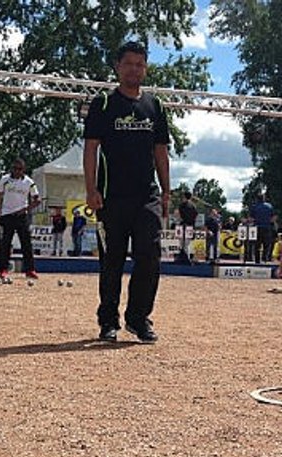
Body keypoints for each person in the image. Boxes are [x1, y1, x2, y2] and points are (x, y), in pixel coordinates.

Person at [83, 40, 171, 343]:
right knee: (111, 262)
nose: (134, 69)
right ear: (118, 67)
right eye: (128, 63)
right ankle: (108, 321)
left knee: (150, 257)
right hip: (111, 198)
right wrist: (91, 189)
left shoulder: (155, 106)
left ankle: (138, 318)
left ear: (145, 69)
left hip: (146, 197)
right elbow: (91, 148)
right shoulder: (104, 103)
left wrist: (167, 191)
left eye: (139, 64)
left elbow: (161, 151)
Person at [0, 157, 40, 281]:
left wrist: (26, 209)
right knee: (5, 243)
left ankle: (30, 270)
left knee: (26, 243)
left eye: (19, 169)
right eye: (14, 168)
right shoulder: (5, 180)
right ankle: (3, 269)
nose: (16, 171)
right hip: (7, 214)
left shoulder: (29, 182)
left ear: (23, 169)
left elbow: (37, 200)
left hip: (22, 216)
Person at [250, 194, 276, 263]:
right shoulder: (269, 206)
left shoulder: (254, 207)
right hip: (267, 228)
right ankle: (265, 259)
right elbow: (273, 218)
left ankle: (257, 260)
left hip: (257, 228)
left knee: (257, 245)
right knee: (266, 245)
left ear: (257, 199)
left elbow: (252, 218)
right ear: (264, 198)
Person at [177, 191, 198, 263]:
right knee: (187, 243)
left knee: (182, 243)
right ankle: (187, 257)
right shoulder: (193, 206)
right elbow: (195, 216)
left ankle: (183, 257)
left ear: (185, 197)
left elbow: (180, 216)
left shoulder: (182, 205)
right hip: (190, 226)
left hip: (183, 225)